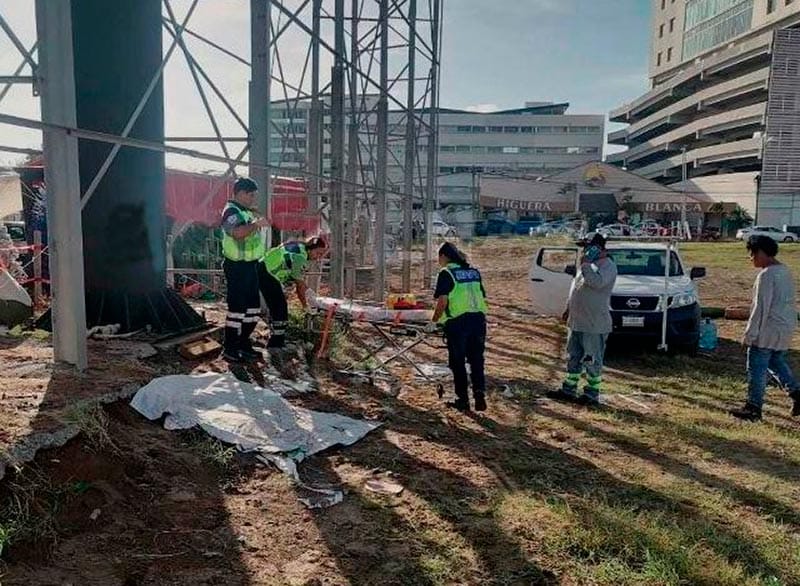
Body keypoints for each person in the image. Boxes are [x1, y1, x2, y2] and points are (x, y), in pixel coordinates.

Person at [730, 235, 800, 421]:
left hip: (767, 329)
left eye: (752, 254)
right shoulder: (784, 271)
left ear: (761, 253)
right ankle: (797, 393)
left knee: (757, 367)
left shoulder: (766, 275)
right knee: (776, 363)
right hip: (783, 327)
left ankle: (753, 407)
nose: (751, 258)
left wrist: (750, 334)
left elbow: (760, 308)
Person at [548, 232, 617, 407]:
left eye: (587, 247)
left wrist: (586, 265)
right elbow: (576, 288)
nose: (584, 251)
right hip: (577, 321)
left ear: (598, 248)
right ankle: (569, 389)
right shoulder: (585, 266)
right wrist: (568, 308)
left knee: (592, 359)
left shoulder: (607, 266)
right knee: (573, 356)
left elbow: (597, 283)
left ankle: (592, 393)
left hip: (594, 324)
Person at [428, 242, 488, 412]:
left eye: (439, 258)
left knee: (458, 362)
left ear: (444, 257)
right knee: (477, 360)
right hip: (479, 320)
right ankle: (479, 394)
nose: (438, 261)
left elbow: (442, 302)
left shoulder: (446, 273)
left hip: (458, 323)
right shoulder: (473, 272)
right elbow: (481, 296)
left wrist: (434, 321)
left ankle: (462, 399)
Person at [220, 177, 269, 363]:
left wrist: (255, 217)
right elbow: (237, 233)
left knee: (252, 309)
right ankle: (230, 348)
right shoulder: (231, 211)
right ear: (240, 193)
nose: (253, 199)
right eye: (251, 195)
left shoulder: (244, 211)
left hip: (250, 265)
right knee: (237, 310)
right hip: (237, 266)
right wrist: (256, 224)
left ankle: (243, 343)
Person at [258, 236, 328, 354]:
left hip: (264, 270)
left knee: (277, 308)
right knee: (280, 309)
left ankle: (276, 341)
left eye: (321, 255)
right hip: (267, 273)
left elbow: (300, 282)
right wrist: (305, 306)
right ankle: (275, 345)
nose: (318, 257)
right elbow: (299, 286)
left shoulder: (299, 248)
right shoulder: (300, 257)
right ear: (311, 249)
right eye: (318, 253)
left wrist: (309, 291)